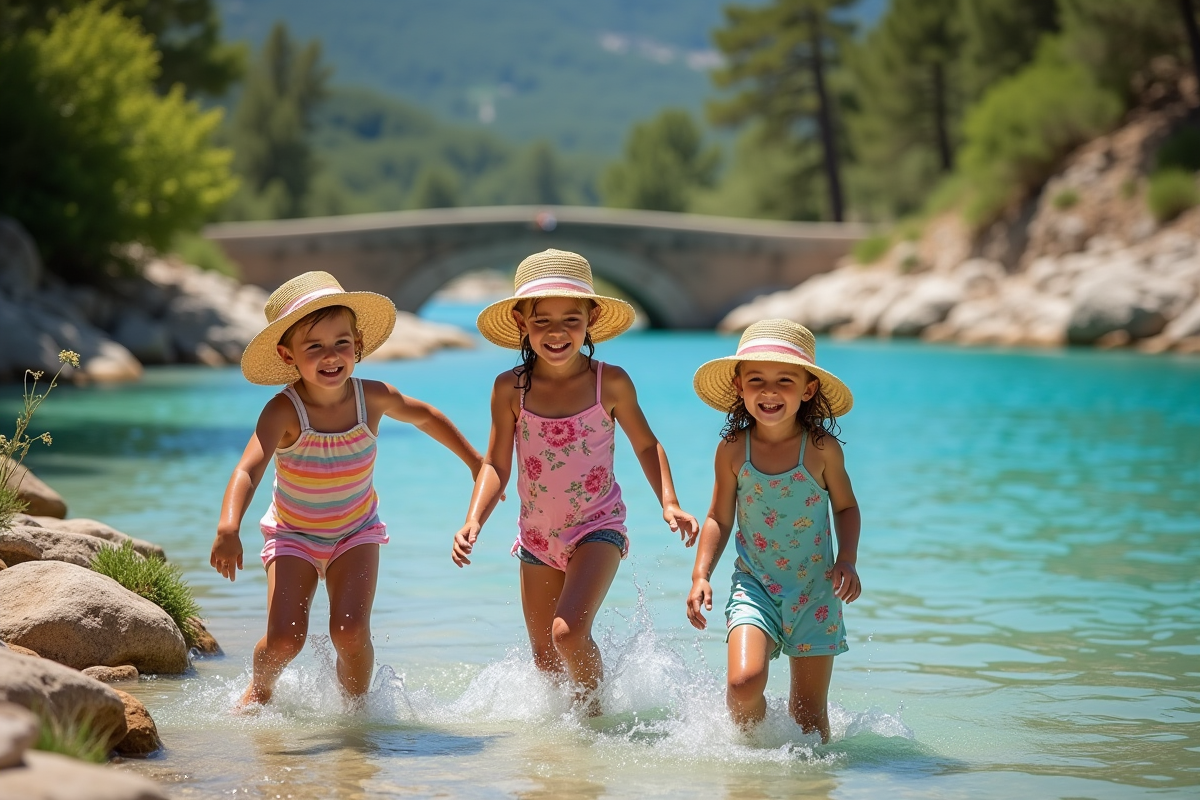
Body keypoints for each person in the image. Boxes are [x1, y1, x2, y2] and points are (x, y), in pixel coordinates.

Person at [211, 271, 484, 708]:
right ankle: (259, 693)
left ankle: (355, 714)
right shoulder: (284, 411)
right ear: (287, 355)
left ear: (358, 344)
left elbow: (426, 416)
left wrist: (475, 462)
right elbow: (248, 469)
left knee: (350, 633)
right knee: (285, 639)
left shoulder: (371, 398)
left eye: (341, 343)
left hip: (356, 534)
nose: (331, 356)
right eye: (314, 347)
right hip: (292, 537)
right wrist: (229, 526)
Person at [451, 249, 699, 713]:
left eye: (570, 318)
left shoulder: (611, 383)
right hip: (536, 536)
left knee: (568, 634)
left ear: (592, 318)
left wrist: (669, 501)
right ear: (522, 322)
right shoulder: (511, 388)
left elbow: (647, 445)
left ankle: (595, 722)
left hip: (596, 526)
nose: (557, 331)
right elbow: (496, 465)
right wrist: (474, 520)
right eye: (542, 320)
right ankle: (567, 759)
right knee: (546, 659)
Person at [686, 319, 861, 742]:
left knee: (809, 721)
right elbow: (718, 518)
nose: (769, 391)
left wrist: (848, 560)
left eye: (785, 380)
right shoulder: (733, 449)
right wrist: (701, 575)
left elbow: (847, 507)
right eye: (757, 380)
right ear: (739, 386)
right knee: (743, 685)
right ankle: (752, 770)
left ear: (808, 389)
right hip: (755, 585)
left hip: (816, 590)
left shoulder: (821, 450)